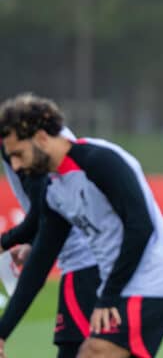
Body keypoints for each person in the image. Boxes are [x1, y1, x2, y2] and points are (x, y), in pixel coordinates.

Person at [0, 93, 163, 358]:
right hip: (119, 287)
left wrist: (109, 296)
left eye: (18, 154)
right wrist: (2, 332)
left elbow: (141, 227)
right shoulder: (54, 188)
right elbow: (41, 260)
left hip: (149, 282)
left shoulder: (99, 161)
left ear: (41, 138)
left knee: (94, 352)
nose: (15, 166)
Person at [0, 127, 100, 358]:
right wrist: (34, 244)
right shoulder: (39, 140)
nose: (15, 166)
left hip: (86, 264)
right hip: (95, 262)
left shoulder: (24, 147)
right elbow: (49, 219)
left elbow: (40, 217)